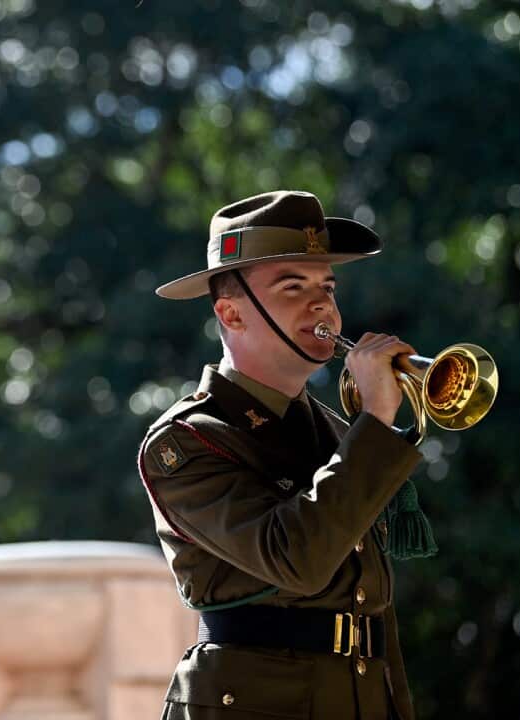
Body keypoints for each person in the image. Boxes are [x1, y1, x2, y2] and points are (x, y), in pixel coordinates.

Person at [138, 190, 431, 719]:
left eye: (327, 287)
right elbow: (298, 561)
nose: (321, 305)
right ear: (231, 313)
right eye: (293, 286)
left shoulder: (337, 430)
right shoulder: (184, 442)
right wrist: (375, 422)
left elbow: (374, 615)